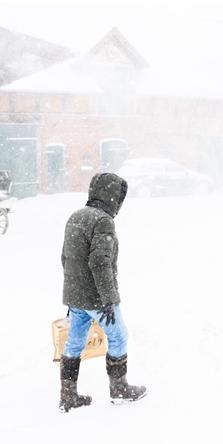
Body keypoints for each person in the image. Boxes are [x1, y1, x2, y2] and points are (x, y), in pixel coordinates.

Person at [58, 172, 147, 413]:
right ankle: (119, 388)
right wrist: (108, 300)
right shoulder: (103, 221)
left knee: (74, 343)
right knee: (119, 336)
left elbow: (66, 258)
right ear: (111, 197)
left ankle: (68, 395)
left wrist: (72, 295)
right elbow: (100, 262)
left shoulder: (75, 216)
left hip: (76, 295)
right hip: (96, 296)